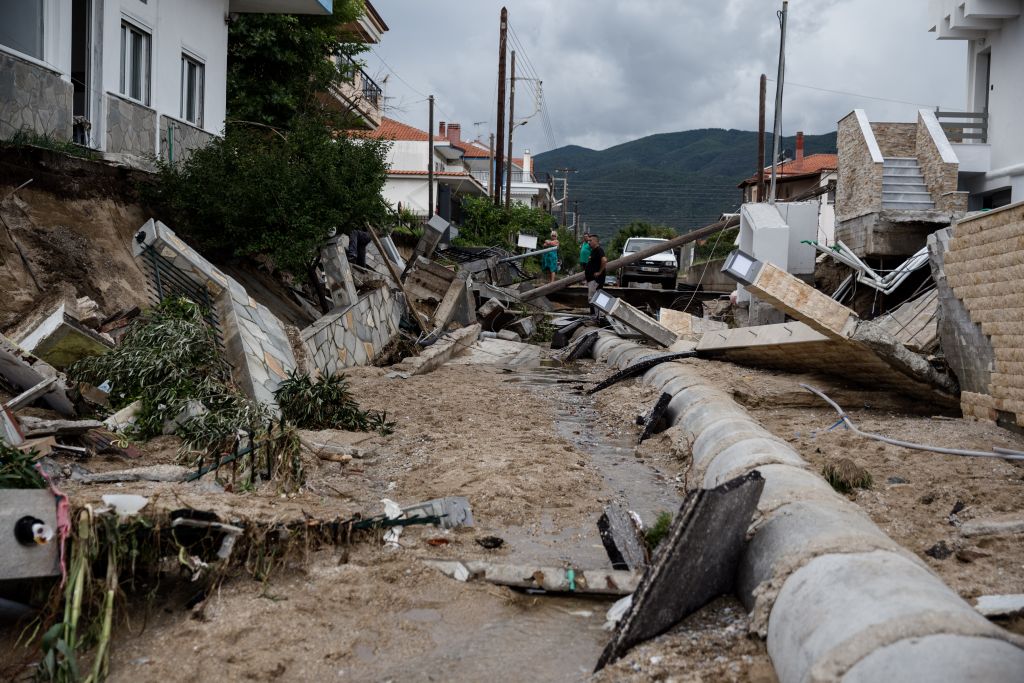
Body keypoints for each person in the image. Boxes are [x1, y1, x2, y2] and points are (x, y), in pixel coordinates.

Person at [584, 233, 607, 315]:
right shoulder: (593, 251)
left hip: (595, 280)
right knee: (593, 298)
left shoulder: (599, 250)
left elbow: (604, 260)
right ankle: (595, 315)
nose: (589, 242)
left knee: (593, 298)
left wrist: (599, 272)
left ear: (595, 241)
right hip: (591, 279)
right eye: (588, 240)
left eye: (590, 240)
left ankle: (596, 316)